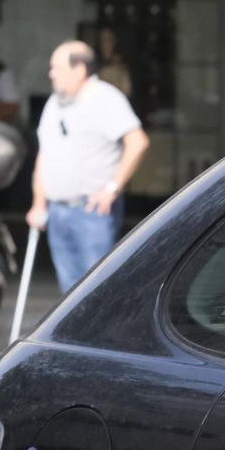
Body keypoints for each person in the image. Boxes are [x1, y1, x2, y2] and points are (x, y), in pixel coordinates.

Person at [28, 40, 149, 292]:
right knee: (69, 296)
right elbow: (45, 154)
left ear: (80, 70)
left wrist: (112, 189)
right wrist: (39, 202)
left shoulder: (105, 98)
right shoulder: (55, 103)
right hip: (58, 211)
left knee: (97, 291)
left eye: (56, 68)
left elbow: (137, 142)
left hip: (92, 212)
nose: (51, 74)